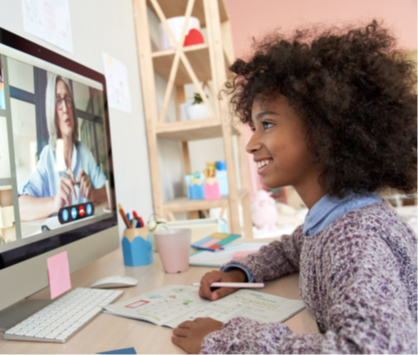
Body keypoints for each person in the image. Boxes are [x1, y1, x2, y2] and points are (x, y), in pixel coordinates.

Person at [171, 21, 418, 354]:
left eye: (267, 124)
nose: (252, 144)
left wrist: (227, 340)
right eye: (254, 126)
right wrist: (239, 273)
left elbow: (373, 350)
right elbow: (292, 248)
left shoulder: (355, 238)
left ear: (325, 131)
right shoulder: (334, 218)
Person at [18, 73, 107, 221]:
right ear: (52, 111)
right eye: (58, 101)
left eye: (67, 100)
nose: (65, 108)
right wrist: (54, 203)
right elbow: (20, 208)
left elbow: (108, 191)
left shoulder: (84, 152)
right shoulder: (48, 155)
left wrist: (93, 194)